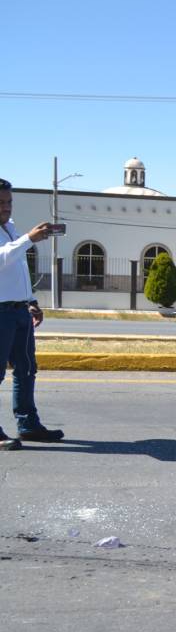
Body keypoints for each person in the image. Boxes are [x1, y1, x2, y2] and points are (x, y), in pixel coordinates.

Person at [0, 177, 64, 450]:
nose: (6, 207)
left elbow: (17, 270)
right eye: (1, 203)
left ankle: (28, 425)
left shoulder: (11, 228)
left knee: (26, 369)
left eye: (9, 201)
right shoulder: (16, 235)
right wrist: (28, 239)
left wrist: (31, 301)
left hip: (19, 312)